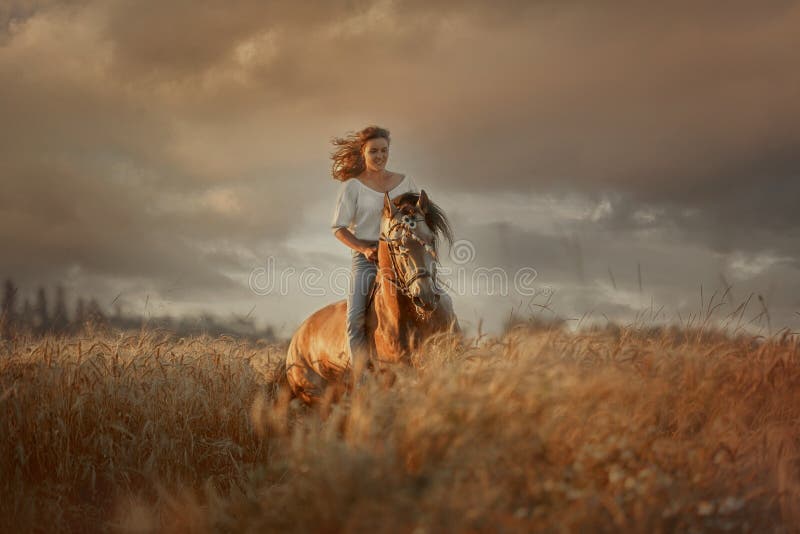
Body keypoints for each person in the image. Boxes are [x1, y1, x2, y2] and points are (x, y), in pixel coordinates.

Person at [330, 125, 419, 375]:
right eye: (373, 151)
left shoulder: (405, 182)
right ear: (363, 152)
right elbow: (338, 228)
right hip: (367, 258)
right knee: (355, 320)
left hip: (403, 256)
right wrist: (363, 248)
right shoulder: (352, 187)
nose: (379, 156)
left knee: (436, 297)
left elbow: (417, 215)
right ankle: (362, 381)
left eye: (384, 150)